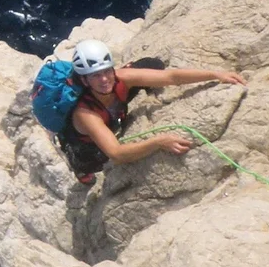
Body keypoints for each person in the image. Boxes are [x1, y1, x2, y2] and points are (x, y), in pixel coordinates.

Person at [35, 39, 246, 183]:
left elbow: (172, 78)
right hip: (85, 140)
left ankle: (134, 73)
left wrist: (215, 74)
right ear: (84, 79)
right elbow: (117, 154)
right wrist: (158, 142)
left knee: (153, 65)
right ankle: (79, 167)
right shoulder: (85, 113)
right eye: (95, 76)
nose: (105, 79)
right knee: (90, 162)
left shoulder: (119, 78)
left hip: (114, 107)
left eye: (106, 71)